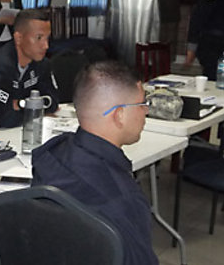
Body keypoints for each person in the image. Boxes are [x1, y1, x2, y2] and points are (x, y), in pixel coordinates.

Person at [32, 60, 158, 265]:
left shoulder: (50, 155)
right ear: (119, 115)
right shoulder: (123, 199)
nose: (146, 112)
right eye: (142, 104)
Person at [0, 8, 58, 128]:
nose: (46, 46)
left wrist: (20, 103)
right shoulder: (1, 65)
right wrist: (36, 107)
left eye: (47, 38)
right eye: (39, 38)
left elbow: (53, 102)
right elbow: (6, 118)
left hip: (20, 127)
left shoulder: (42, 63)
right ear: (18, 38)